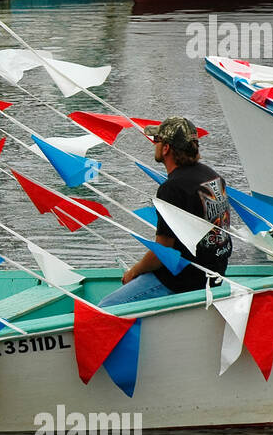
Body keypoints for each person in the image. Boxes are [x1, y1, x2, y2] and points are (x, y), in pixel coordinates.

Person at [100, 117, 233, 308]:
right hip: (215, 274)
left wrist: (134, 271)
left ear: (166, 149)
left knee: (106, 308)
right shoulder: (212, 175)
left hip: (184, 279)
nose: (154, 145)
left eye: (157, 140)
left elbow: (162, 253)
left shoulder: (172, 188)